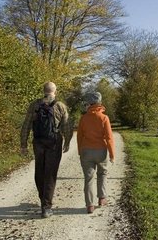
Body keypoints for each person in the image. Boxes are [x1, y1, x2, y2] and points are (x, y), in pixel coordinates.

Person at [20, 82, 73, 218]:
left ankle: (42, 198)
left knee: (39, 170)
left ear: (44, 91)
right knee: (50, 173)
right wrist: (67, 142)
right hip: (54, 142)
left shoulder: (34, 105)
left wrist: (23, 144)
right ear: (55, 91)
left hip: (38, 142)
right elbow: (67, 126)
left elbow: (26, 125)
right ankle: (46, 207)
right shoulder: (60, 106)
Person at [77, 92, 115, 214]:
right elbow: (109, 137)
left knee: (88, 178)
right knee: (102, 174)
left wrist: (80, 151)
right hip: (101, 151)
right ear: (99, 102)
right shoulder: (104, 118)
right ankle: (102, 198)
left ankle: (89, 205)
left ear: (89, 103)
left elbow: (79, 136)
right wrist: (112, 154)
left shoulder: (83, 118)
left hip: (86, 151)